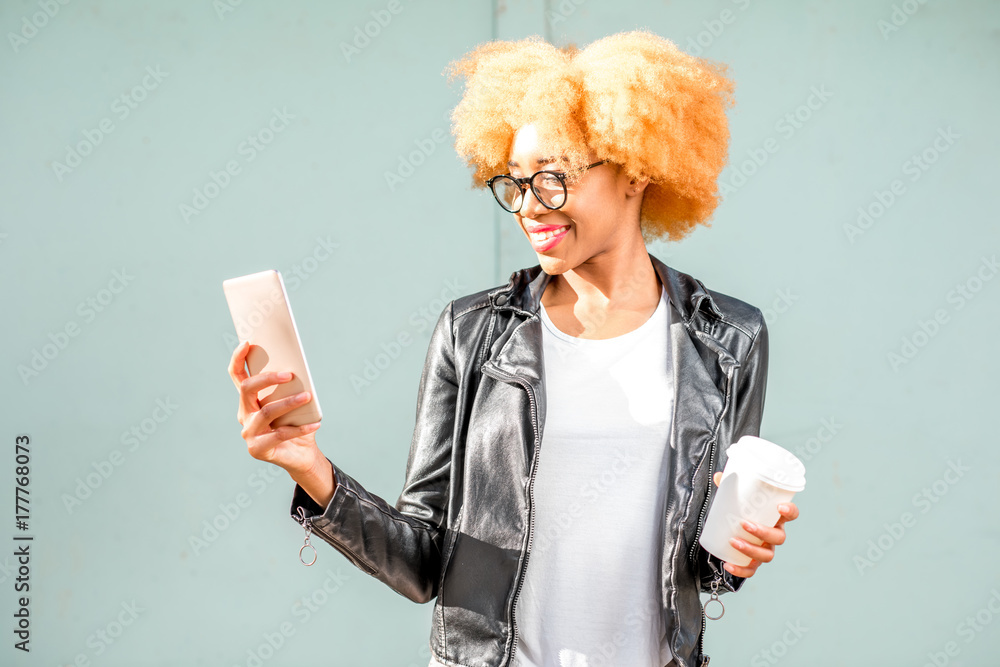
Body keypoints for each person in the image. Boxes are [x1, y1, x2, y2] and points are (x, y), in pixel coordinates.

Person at [227, 30, 799, 667]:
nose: (531, 207)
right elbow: (422, 563)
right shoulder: (472, 334)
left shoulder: (726, 339)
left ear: (636, 169)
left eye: (553, 179)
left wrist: (736, 553)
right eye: (516, 184)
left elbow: (704, 572)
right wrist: (309, 469)